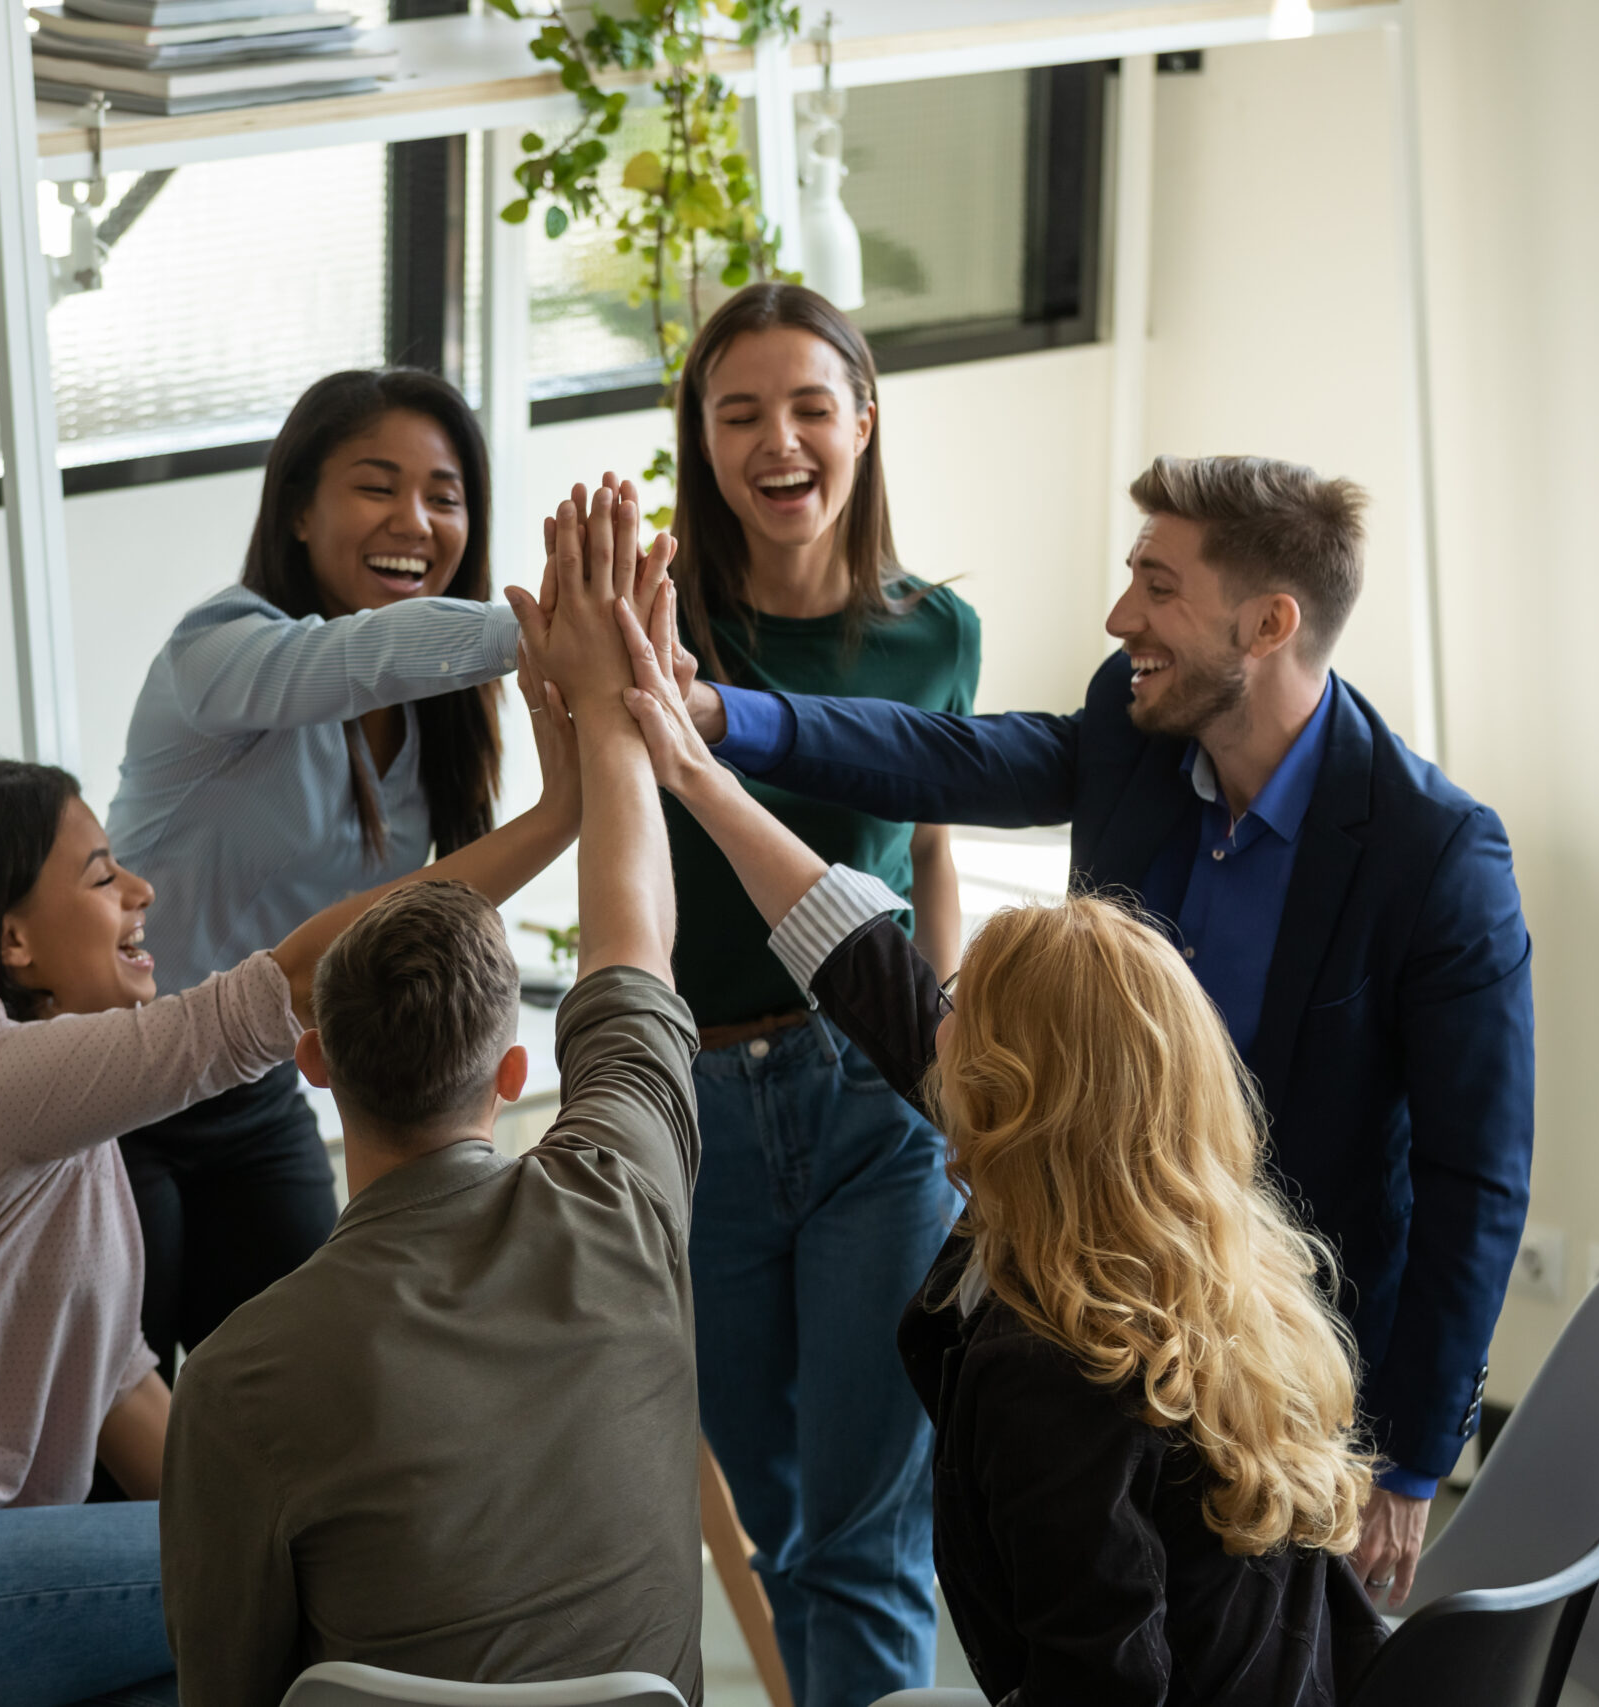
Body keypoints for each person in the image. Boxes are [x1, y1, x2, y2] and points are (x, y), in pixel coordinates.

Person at [678, 453, 1535, 1607]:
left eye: (1157, 584)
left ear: (1269, 622)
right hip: (1100, 1319)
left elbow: (1472, 1175)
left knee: (1252, 1655)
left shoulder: (1435, 855)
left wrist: (1420, 1458)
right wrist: (724, 717)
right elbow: (957, 756)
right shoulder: (1133, 724)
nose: (1119, 614)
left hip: (1288, 1361)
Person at [0, 692, 580, 1707]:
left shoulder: (56, 1127)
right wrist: (558, 818)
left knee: (245, 1648)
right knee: (315, 1566)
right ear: (14, 941)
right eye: (105, 876)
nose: (143, 892)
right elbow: (297, 976)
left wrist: (316, 1501)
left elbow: (126, 1400)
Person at [609, 586, 1391, 1705]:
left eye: (965, 1000)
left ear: (1012, 1096)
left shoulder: (1050, 1372)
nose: (940, 1010)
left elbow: (1097, 1686)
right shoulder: (1205, 1263)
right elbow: (862, 963)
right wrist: (694, 772)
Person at [160, 482, 702, 1706]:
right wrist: (616, 713)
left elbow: (225, 1687)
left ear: (315, 1064)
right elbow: (636, 945)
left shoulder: (241, 1373)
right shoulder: (620, 1207)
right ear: (516, 1075)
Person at [651, 281, 977, 1707]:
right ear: (704, 443)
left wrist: (951, 1060)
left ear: (863, 420)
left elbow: (934, 856)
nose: (778, 442)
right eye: (739, 414)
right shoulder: (662, 626)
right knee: (781, 1526)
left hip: (873, 1099)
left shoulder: (936, 634)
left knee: (866, 1531)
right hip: (706, 1111)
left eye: (807, 405)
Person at [102, 368, 520, 1388]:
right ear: (298, 508)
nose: (413, 521)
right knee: (116, 1411)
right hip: (119, 1093)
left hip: (254, 1085)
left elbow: (422, 914)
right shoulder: (218, 651)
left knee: (311, 1386)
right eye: (375, 485)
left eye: (444, 495)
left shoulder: (440, 718)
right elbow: (356, 661)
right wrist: (552, 634)